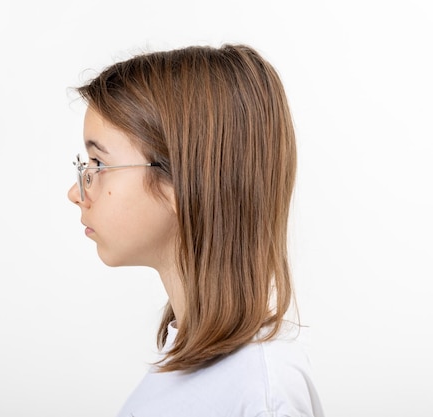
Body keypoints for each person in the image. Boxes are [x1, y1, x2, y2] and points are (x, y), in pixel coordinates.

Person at [67, 44, 325, 417]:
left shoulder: (260, 392)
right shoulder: (189, 359)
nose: (77, 192)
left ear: (181, 183)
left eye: (99, 163)